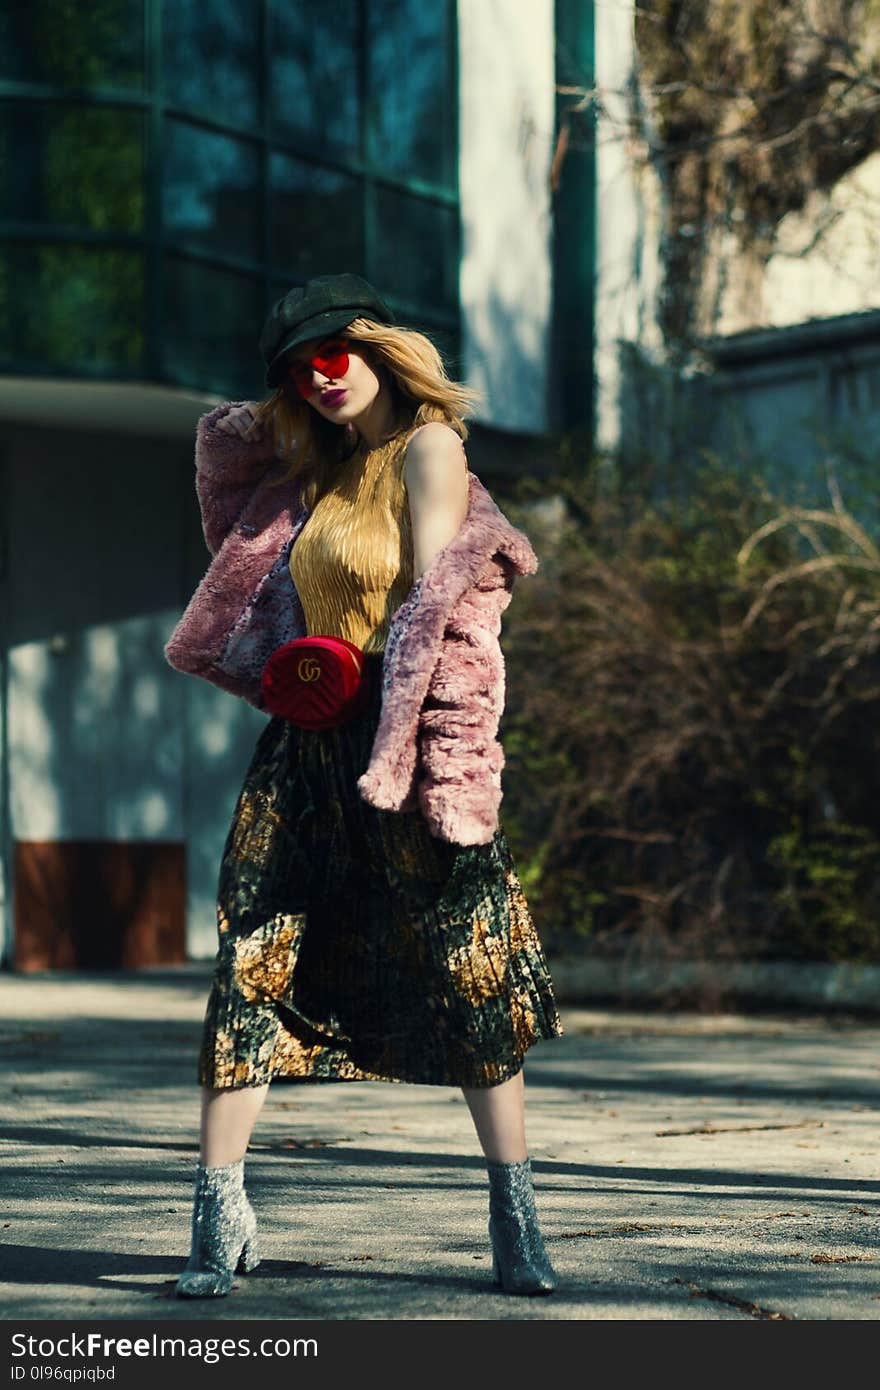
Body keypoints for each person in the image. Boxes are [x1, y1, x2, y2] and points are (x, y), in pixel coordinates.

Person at [164, 273, 564, 1299]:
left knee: (465, 965)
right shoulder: (310, 473)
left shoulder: (428, 448)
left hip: (403, 745)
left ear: (383, 346)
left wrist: (425, 756)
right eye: (300, 367)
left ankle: (515, 1218)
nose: (321, 375)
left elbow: (431, 607)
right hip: (304, 752)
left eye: (336, 352)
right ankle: (217, 1223)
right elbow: (224, 473)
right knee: (251, 960)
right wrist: (275, 407)